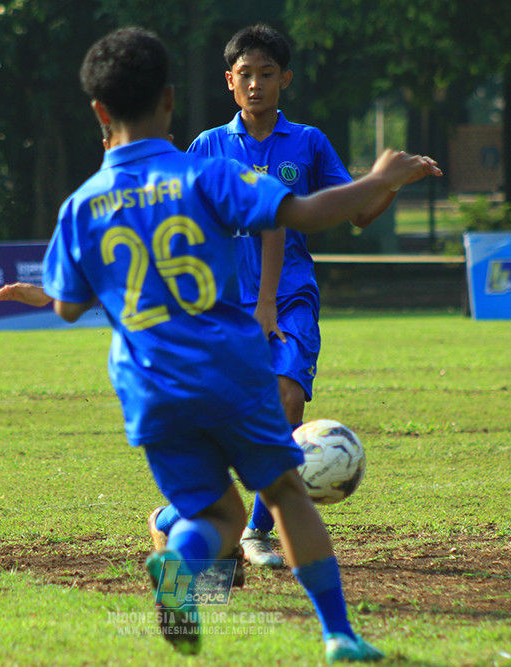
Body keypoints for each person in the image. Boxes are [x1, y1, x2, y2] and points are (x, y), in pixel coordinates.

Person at [14, 26, 439, 662]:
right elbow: (301, 214)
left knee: (217, 519)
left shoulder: (80, 207)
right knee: (288, 494)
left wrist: (40, 295)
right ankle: (339, 636)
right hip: (227, 368)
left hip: (149, 390)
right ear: (169, 100)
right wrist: (378, 175)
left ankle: (185, 575)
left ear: (100, 112)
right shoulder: (205, 173)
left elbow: (72, 305)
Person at [149, 23, 398, 570]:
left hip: (289, 301)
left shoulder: (308, 142)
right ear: (229, 83)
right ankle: (180, 520)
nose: (256, 84)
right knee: (224, 431)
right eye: (246, 75)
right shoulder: (209, 146)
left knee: (286, 402)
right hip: (224, 310)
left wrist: (386, 184)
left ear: (284, 79)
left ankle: (256, 533)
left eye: (267, 74)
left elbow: (355, 213)